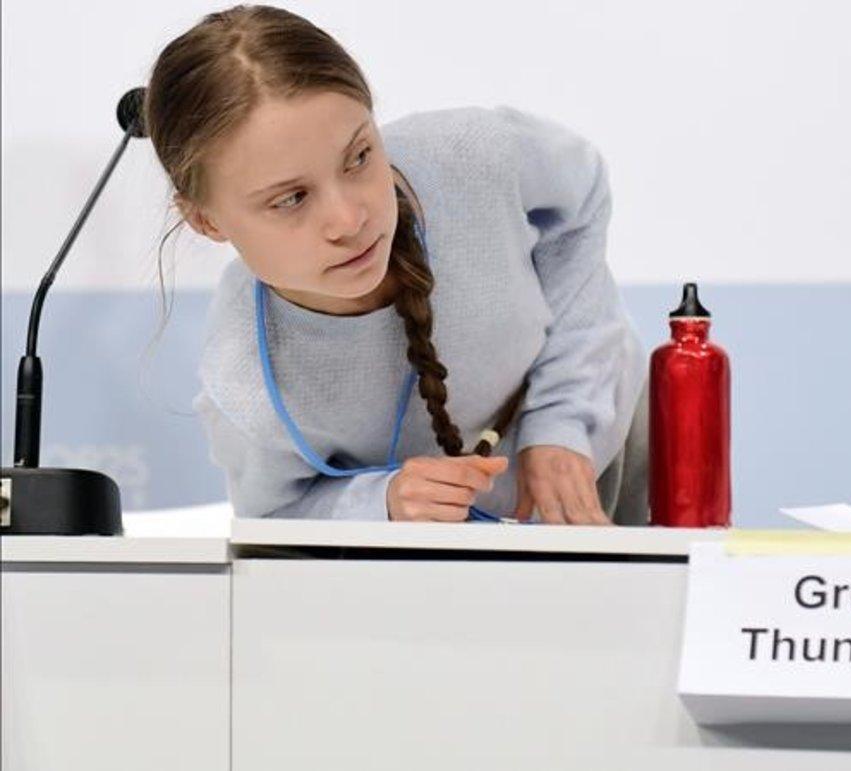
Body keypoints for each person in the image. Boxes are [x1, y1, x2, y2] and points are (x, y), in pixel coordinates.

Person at [142, 4, 648, 525]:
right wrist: (381, 503)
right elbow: (276, 513)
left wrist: (563, 420)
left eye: (358, 157)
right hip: (447, 563)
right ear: (205, 221)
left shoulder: (476, 156)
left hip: (613, 458)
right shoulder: (245, 381)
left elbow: (581, 194)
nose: (348, 218)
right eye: (291, 199)